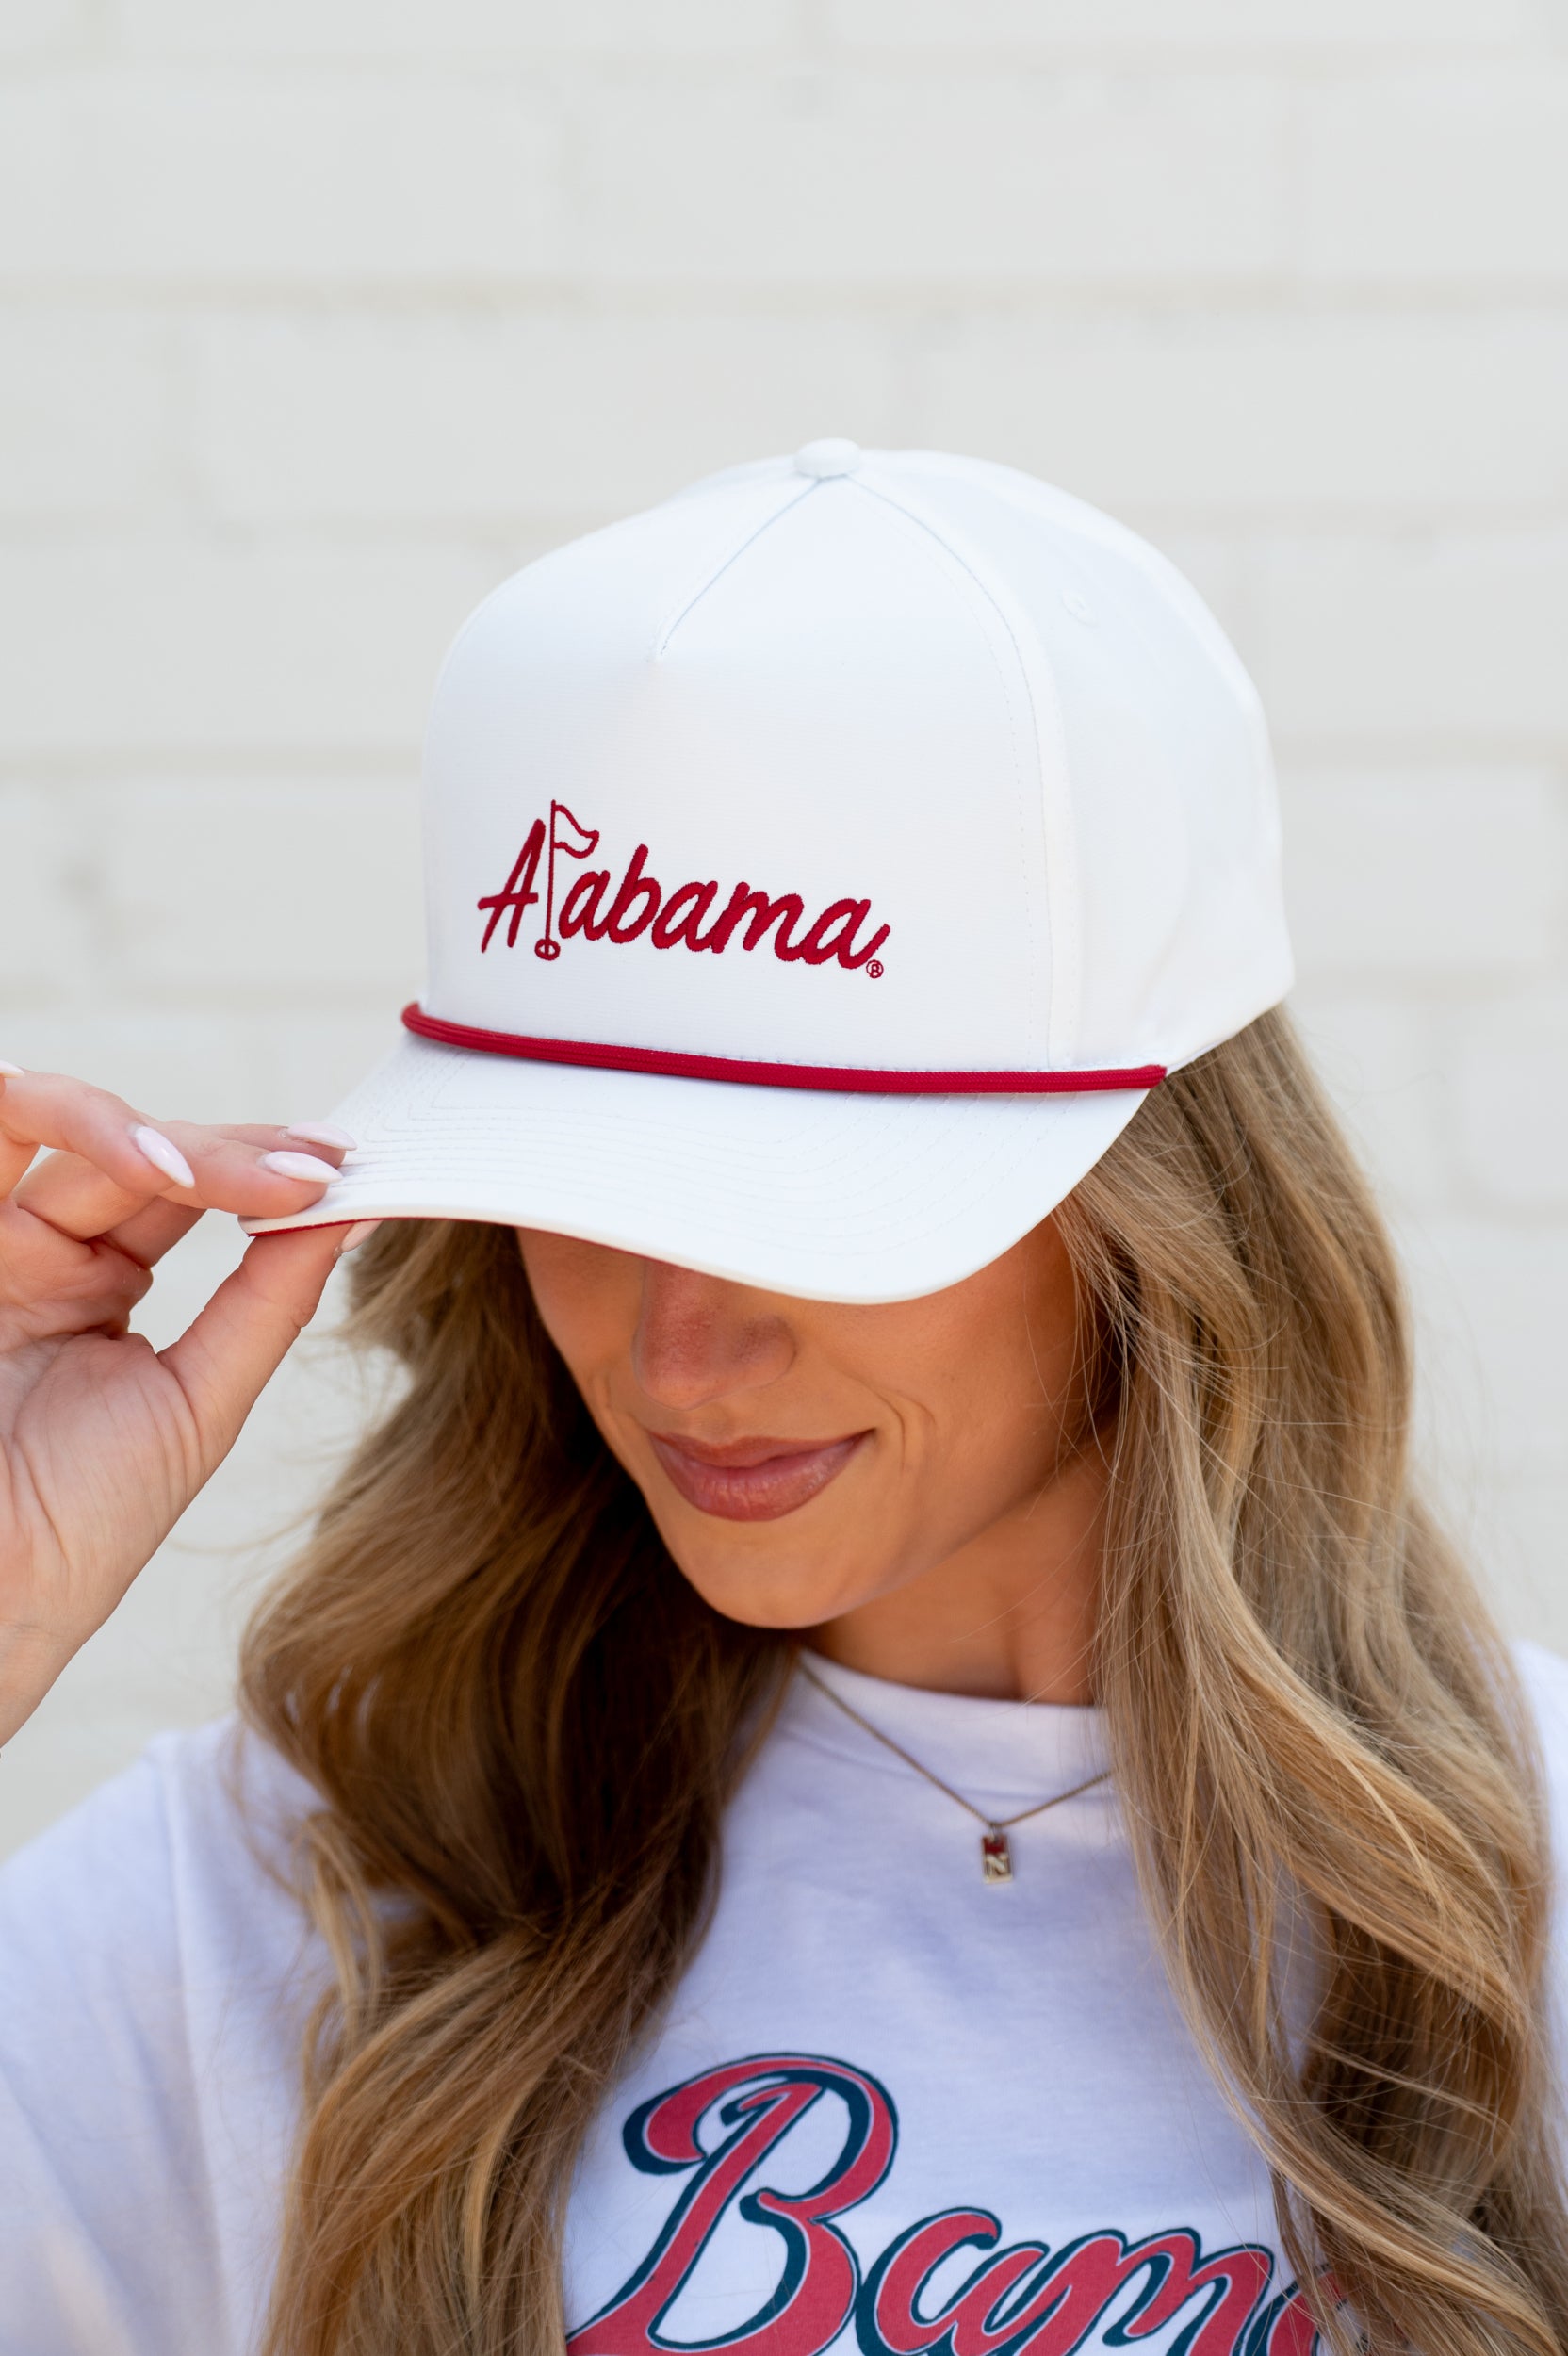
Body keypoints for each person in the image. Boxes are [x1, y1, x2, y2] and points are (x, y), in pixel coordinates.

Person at [0, 442, 1563, 2356]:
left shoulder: (1523, 1887)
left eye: (806, 1211)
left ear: (1156, 1206)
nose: (679, 1356)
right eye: (581, 1195)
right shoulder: (279, 1899)